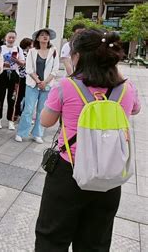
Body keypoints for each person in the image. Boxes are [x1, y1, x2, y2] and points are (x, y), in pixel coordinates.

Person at [35, 29, 141, 251]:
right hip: (109, 175)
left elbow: (45, 121)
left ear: (78, 56)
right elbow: (135, 109)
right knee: (96, 243)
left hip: (69, 172)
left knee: (52, 238)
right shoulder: (126, 88)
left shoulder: (66, 86)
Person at [15, 29, 59, 143]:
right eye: (42, 35)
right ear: (37, 38)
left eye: (47, 35)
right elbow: (29, 69)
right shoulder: (32, 51)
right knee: (28, 109)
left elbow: (55, 70)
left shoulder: (53, 51)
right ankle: (21, 132)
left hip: (47, 85)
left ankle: (38, 133)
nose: (45, 37)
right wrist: (39, 81)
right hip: (32, 84)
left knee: (42, 110)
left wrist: (45, 82)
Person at [0, 30, 25, 130]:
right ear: (5, 38)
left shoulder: (18, 49)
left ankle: (11, 120)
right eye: (9, 37)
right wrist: (3, 64)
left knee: (13, 98)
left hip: (14, 74)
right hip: (2, 74)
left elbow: (22, 63)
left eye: (13, 37)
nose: (11, 39)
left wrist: (15, 60)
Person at [14, 37, 33, 119]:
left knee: (21, 96)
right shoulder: (25, 54)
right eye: (32, 45)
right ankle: (18, 113)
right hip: (23, 78)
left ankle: (18, 113)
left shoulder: (25, 53)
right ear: (28, 46)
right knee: (21, 96)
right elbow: (24, 65)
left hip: (24, 78)